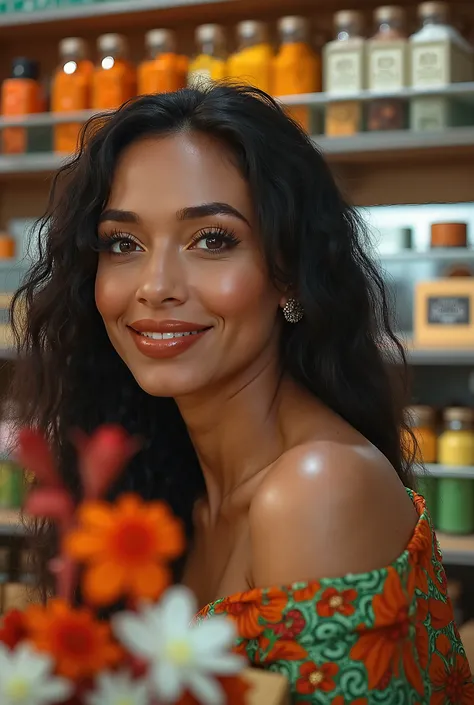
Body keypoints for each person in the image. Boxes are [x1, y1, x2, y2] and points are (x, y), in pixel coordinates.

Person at [11, 84, 471, 703]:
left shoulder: (315, 487)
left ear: (288, 272)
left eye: (212, 239)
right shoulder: (170, 487)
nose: (155, 286)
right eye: (123, 243)